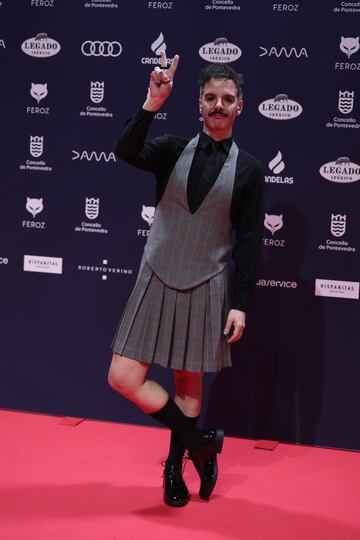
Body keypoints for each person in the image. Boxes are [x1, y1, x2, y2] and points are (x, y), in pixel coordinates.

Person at [108, 51, 264, 507]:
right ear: (198, 104)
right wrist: (152, 103)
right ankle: (200, 442)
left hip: (208, 282)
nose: (219, 105)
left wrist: (240, 302)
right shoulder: (172, 148)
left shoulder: (251, 170)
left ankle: (175, 469)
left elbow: (250, 241)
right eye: (210, 98)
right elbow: (126, 150)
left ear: (240, 107)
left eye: (227, 98)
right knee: (122, 376)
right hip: (156, 274)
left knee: (188, 385)